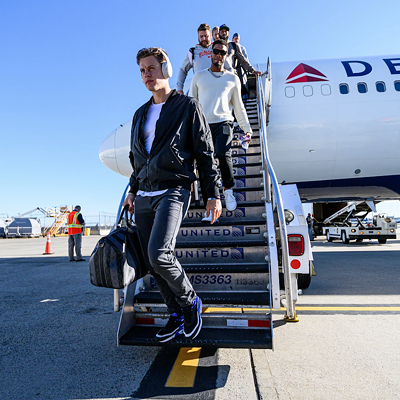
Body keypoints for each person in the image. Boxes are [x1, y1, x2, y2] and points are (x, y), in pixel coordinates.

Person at [123, 47, 222, 342]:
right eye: (142, 71)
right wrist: (132, 189)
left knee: (159, 253)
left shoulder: (187, 106)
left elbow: (205, 152)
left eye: (151, 68)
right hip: (145, 195)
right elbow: (138, 157)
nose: (146, 75)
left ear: (165, 68)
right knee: (150, 261)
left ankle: (190, 303)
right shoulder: (140, 113)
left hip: (175, 189)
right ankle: (175, 313)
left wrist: (213, 194)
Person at [189, 39, 252, 221]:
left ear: (226, 56)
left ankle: (228, 190)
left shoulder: (232, 79)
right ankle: (210, 198)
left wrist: (246, 129)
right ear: (210, 53)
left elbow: (238, 106)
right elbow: (192, 104)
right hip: (203, 125)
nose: (219, 55)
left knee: (223, 154)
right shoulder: (198, 77)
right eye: (216, 51)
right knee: (205, 162)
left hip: (224, 122)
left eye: (222, 53)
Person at [176, 23, 213, 94]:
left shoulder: (217, 49)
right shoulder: (192, 52)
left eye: (206, 36)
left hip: (216, 88)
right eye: (201, 36)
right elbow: (183, 70)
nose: (204, 39)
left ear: (210, 36)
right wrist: (179, 88)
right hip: (200, 90)